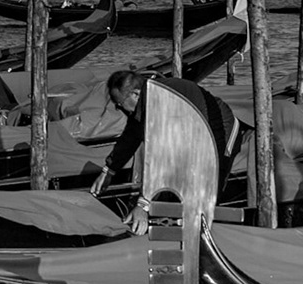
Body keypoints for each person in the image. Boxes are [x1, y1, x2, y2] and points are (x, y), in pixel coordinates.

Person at [89, 69, 236, 234]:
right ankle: (180, 222)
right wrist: (109, 170)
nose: (117, 108)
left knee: (209, 182)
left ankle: (207, 231)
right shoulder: (142, 105)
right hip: (188, 130)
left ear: (135, 94)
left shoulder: (158, 101)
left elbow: (160, 157)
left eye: (119, 103)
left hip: (218, 126)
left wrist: (142, 205)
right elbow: (130, 137)